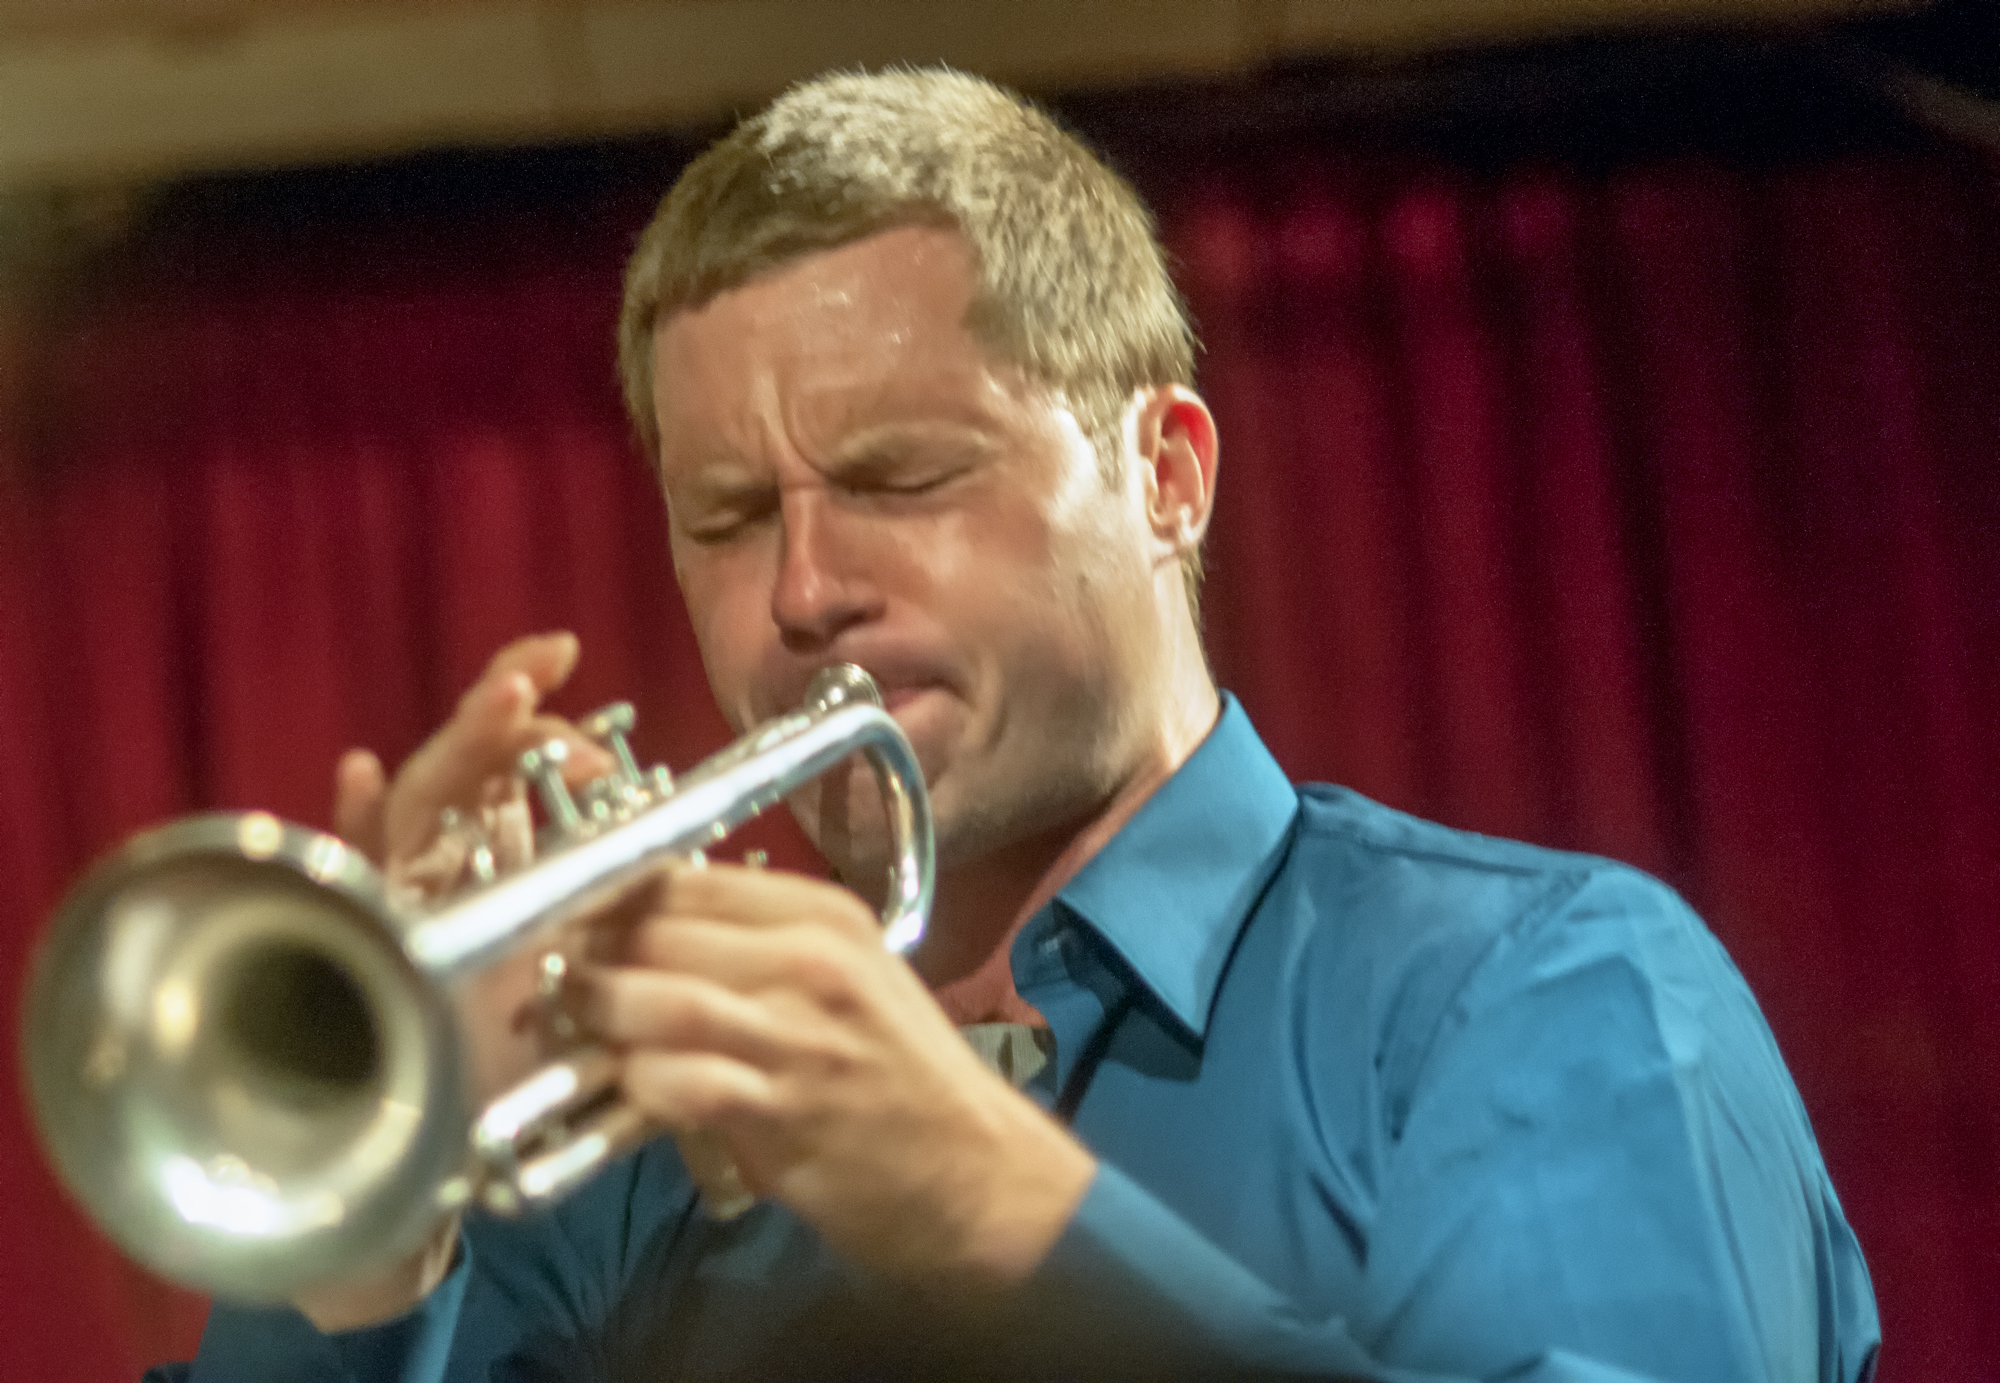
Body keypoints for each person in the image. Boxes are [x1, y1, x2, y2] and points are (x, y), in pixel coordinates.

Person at [163, 68, 1879, 1382]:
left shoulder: (1536, 993)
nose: (803, 590)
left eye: (901, 477)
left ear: (1166, 475)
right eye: (726, 513)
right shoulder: (636, 1142)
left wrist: (998, 1209)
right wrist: (363, 1232)